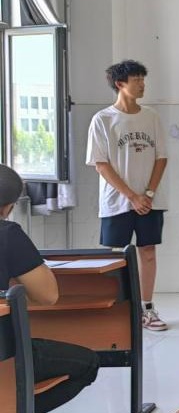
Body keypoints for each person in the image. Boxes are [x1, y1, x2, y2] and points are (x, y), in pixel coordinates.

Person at [0, 164, 100, 412]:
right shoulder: (7, 234)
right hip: (4, 355)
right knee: (87, 364)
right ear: (9, 207)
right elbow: (47, 295)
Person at [86, 60, 169, 331]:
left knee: (148, 252)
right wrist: (132, 196)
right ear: (120, 84)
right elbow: (101, 164)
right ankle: (119, 311)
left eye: (143, 79)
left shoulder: (151, 117)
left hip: (150, 200)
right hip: (117, 201)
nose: (143, 84)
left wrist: (148, 193)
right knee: (116, 257)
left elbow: (161, 157)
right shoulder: (103, 119)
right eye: (137, 80)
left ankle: (147, 309)